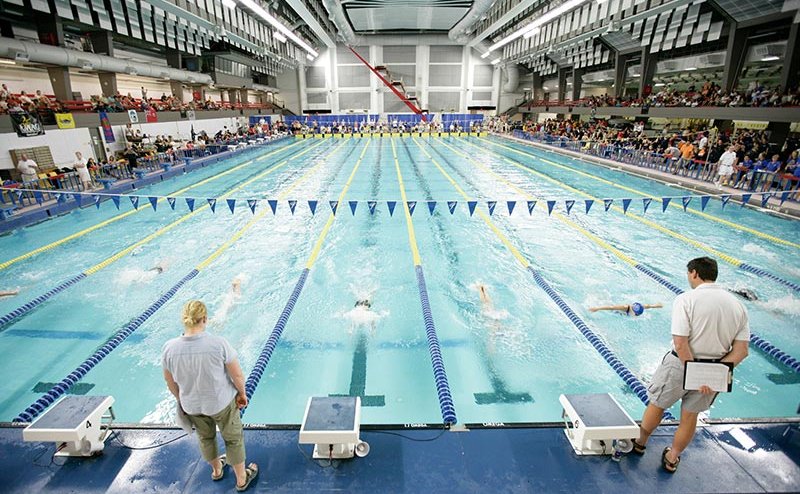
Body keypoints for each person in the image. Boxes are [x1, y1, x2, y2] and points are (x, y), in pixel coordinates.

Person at [633, 257, 749, 473]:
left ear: (694, 273)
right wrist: (712, 374)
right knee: (690, 416)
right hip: (716, 372)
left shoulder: (686, 299)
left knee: (657, 404)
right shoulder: (738, 306)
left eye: (688, 274)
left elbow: (680, 343)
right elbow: (741, 351)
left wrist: (696, 373)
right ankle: (672, 457)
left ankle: (640, 443)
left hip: (680, 365)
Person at [162, 301, 259, 491]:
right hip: (221, 403)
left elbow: (170, 381)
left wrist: (181, 399)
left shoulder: (169, 348)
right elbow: (237, 375)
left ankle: (216, 470)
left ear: (185, 320)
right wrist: (242, 393)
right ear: (205, 319)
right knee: (233, 439)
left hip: (192, 406)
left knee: (205, 439)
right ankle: (241, 479)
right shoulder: (218, 343)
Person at [588, 302, 663, 316]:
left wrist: (657, 305)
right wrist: (597, 308)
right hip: (615, 311)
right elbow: (611, 307)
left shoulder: (641, 307)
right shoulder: (625, 307)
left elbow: (649, 306)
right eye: (636, 315)